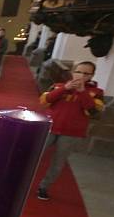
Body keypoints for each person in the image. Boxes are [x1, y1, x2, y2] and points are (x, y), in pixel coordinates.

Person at [36, 61, 104, 201]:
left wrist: (83, 92)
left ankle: (44, 186)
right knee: (35, 156)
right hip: (50, 127)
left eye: (86, 73)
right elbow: (45, 100)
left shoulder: (96, 92)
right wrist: (64, 89)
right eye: (78, 72)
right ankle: (22, 181)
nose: (81, 75)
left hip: (72, 133)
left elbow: (93, 112)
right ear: (73, 72)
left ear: (92, 76)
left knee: (58, 162)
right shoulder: (59, 85)